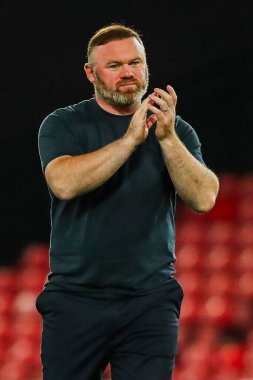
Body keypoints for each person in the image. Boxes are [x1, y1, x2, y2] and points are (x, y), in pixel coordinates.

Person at [36, 23, 219, 380]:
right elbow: (63, 183)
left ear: (147, 67)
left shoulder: (177, 130)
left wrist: (166, 139)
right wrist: (129, 141)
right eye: (114, 65)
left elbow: (204, 197)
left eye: (135, 63)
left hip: (149, 301)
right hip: (75, 299)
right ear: (91, 73)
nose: (128, 73)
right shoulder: (64, 124)